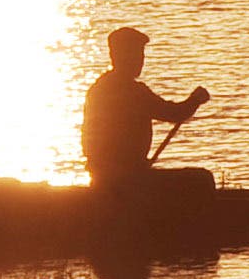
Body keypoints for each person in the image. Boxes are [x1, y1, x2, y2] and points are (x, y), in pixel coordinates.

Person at [81, 26, 209, 189]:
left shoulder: (98, 88)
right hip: (126, 180)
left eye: (141, 54)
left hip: (103, 177)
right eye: (135, 54)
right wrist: (195, 100)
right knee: (200, 180)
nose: (141, 60)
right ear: (118, 56)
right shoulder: (132, 91)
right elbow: (174, 113)